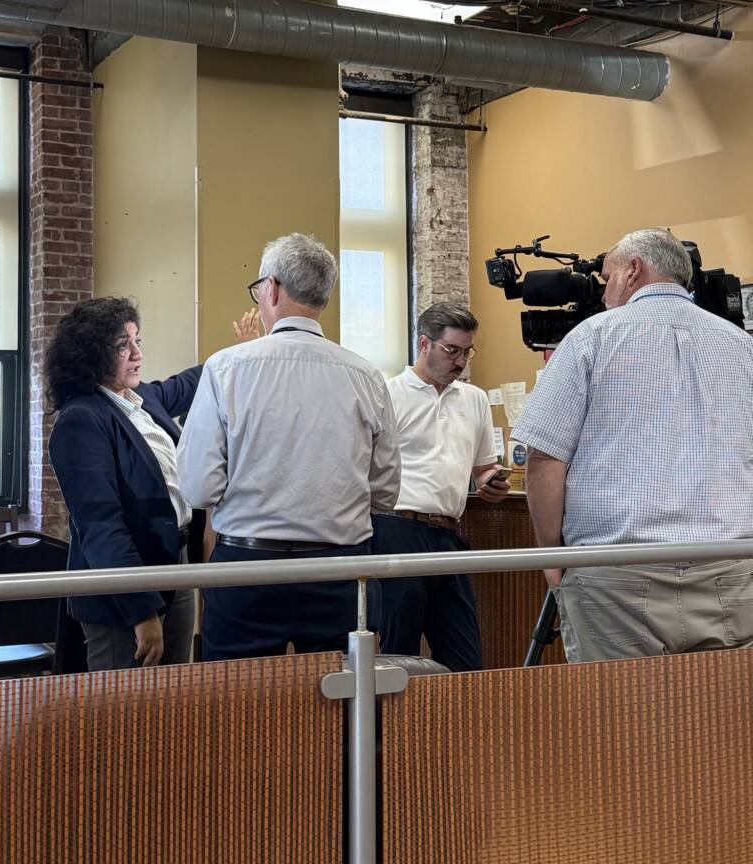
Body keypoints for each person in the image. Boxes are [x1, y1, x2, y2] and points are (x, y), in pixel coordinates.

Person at [512, 227, 753, 663]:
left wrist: (551, 554)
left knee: (618, 724)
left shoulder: (590, 339)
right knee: (723, 723)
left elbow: (545, 459)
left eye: (607, 279)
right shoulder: (741, 346)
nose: (604, 293)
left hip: (618, 576)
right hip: (731, 570)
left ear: (633, 271)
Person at [176, 232, 401, 661]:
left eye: (259, 288)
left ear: (273, 288)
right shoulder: (367, 376)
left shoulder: (227, 367)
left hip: (248, 567)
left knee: (239, 707)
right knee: (346, 709)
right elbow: (386, 491)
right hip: (343, 570)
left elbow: (199, 488)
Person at [46, 297, 249, 672]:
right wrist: (142, 611)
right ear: (91, 354)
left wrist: (242, 353)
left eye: (137, 340)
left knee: (167, 704)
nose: (137, 353)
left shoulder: (143, 399)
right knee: (121, 715)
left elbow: (189, 382)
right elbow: (101, 527)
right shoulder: (82, 419)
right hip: (123, 594)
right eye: (123, 345)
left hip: (176, 567)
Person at [371, 303, 510, 673]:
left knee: (465, 659)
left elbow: (483, 467)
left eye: (467, 351)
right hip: (397, 530)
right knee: (394, 654)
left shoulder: (475, 399)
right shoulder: (387, 394)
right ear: (424, 344)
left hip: (449, 535)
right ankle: (386, 732)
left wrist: (490, 482)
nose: (461, 361)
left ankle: (452, 731)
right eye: (452, 350)